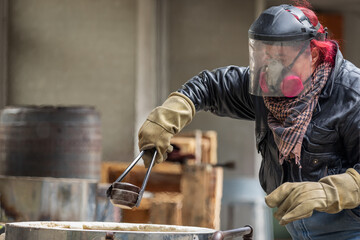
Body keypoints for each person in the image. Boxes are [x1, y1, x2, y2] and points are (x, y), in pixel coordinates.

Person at [138, 3, 360, 239]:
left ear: (313, 54)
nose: (271, 71)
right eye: (265, 57)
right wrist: (169, 115)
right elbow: (210, 86)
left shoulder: (351, 94)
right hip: (300, 229)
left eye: (281, 59)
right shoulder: (268, 90)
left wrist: (328, 192)